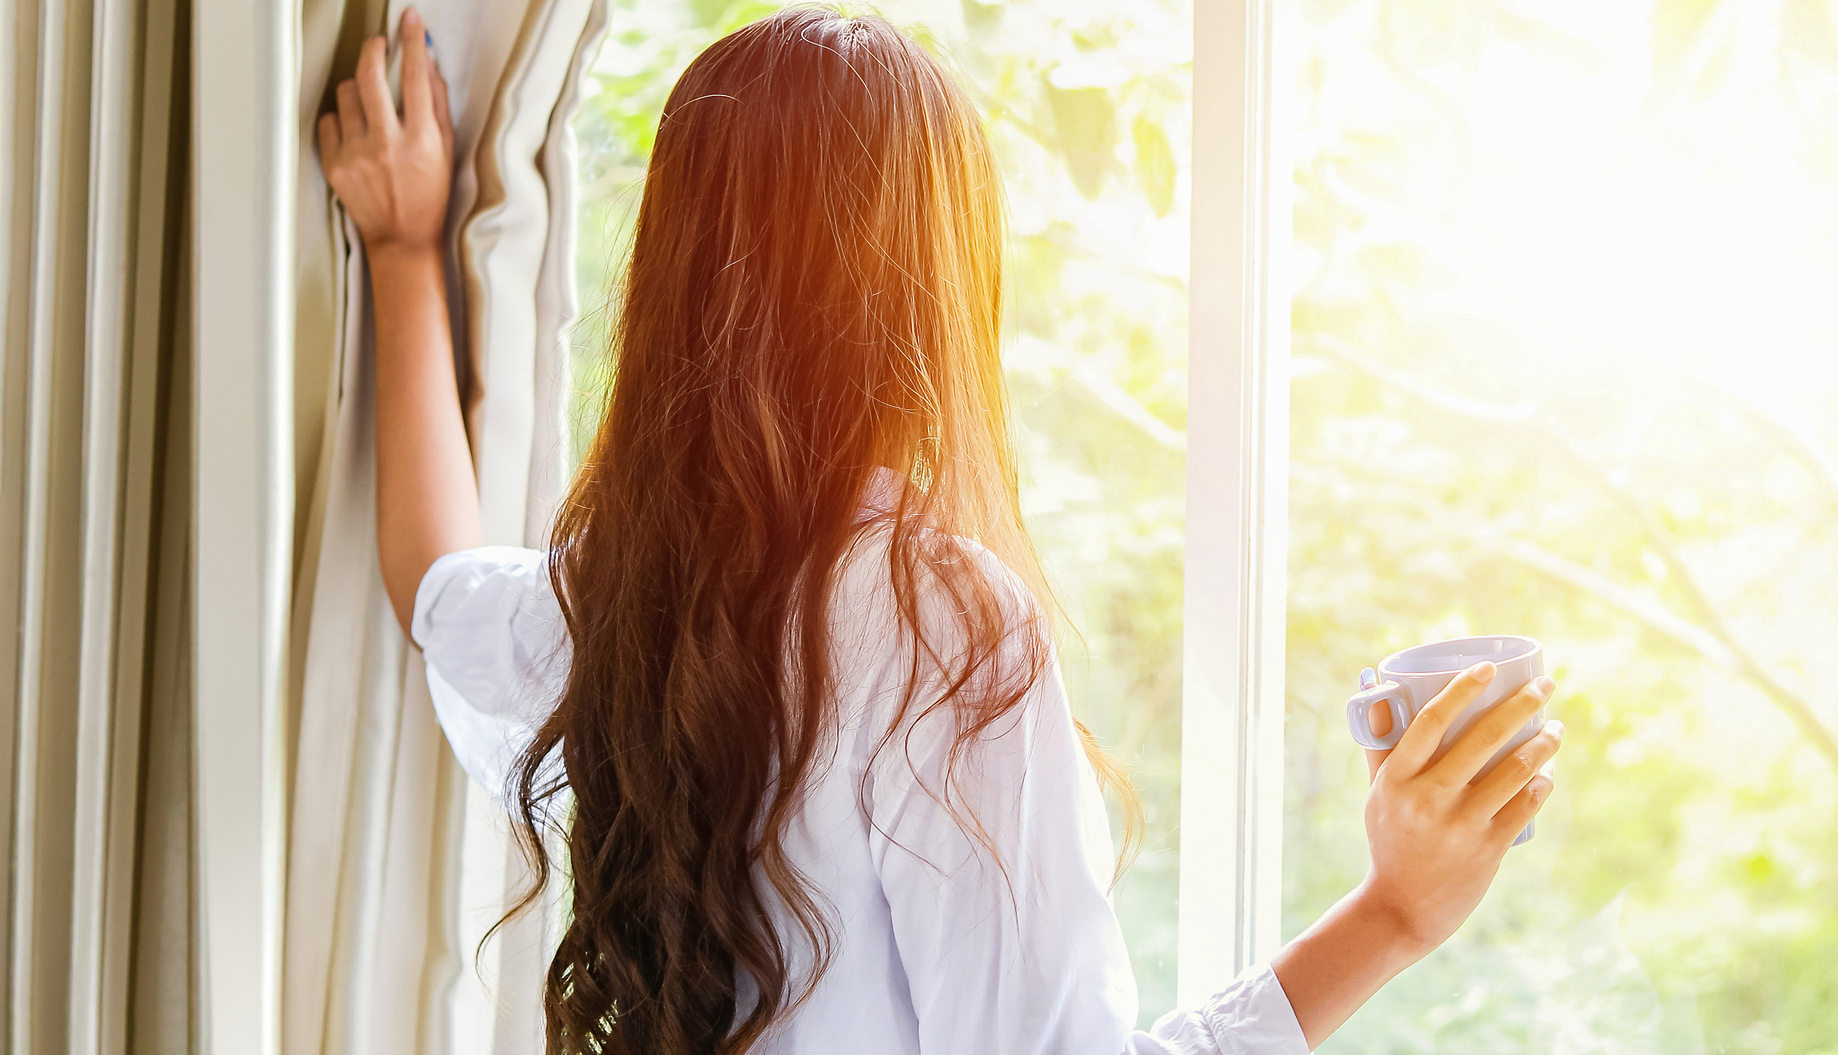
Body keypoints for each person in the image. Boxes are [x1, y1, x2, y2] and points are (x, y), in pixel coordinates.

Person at [318, 7, 1563, 1053]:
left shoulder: (610, 596)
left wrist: (400, 246)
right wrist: (1394, 913)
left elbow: (429, 581)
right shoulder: (938, 623)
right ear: (935, 287)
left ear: (674, 274)